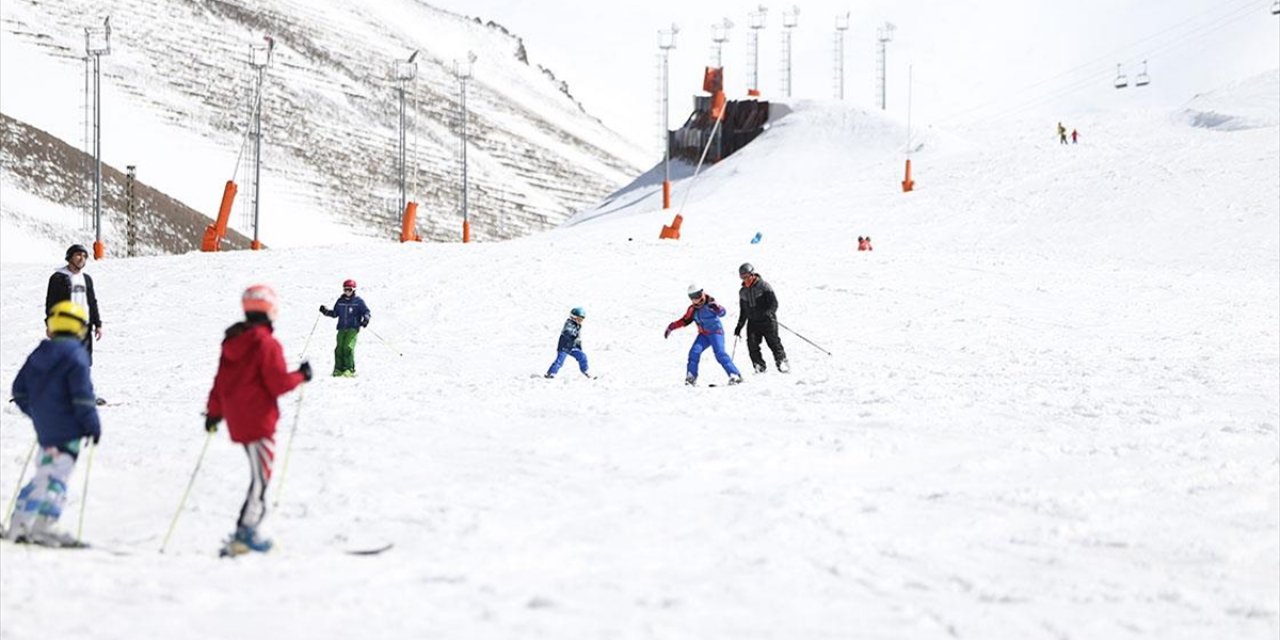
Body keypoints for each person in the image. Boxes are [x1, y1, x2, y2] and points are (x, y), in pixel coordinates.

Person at [205, 284, 312, 556]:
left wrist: (214, 412)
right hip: (259, 420)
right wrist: (301, 375)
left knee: (258, 476)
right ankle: (246, 532)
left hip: (238, 419)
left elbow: (221, 380)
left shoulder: (233, 341)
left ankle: (246, 530)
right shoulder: (266, 343)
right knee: (261, 479)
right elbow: (278, 383)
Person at [3, 301, 102, 547]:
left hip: (46, 429)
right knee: (55, 477)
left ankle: (21, 521)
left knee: (44, 473)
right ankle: (42, 525)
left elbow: (19, 390)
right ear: (79, 327)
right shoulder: (76, 355)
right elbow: (82, 396)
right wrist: (92, 425)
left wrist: (37, 412)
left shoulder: (40, 353)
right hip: (68, 430)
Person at [665, 284, 743, 386]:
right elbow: (684, 321)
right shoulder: (692, 309)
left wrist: (717, 308)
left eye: (698, 295)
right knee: (694, 352)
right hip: (703, 335)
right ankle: (691, 377)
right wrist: (671, 326)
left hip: (715, 333)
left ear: (702, 293)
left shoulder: (710, 303)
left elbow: (722, 313)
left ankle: (735, 375)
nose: (696, 299)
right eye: (693, 297)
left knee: (720, 353)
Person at [45, 244, 103, 367]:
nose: (82, 258)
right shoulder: (58, 278)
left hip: (85, 327)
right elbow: (51, 303)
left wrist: (98, 324)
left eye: (84, 256)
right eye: (78, 255)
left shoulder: (86, 279)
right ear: (70, 257)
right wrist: (50, 325)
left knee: (84, 363)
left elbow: (92, 302)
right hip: (65, 327)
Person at [732, 263, 789, 374]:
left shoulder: (764, 286)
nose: (745, 279)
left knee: (773, 342)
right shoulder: (742, 292)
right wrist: (739, 326)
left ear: (752, 274)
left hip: (767, 320)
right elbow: (743, 311)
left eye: (747, 276)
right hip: (753, 322)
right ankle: (759, 365)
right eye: (742, 277)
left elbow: (774, 303)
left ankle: (781, 361)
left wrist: (769, 312)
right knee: (752, 344)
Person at [319, 279, 371, 377]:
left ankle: (349, 369)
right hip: (342, 327)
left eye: (349, 289)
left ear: (354, 290)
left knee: (348, 347)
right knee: (339, 348)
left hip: (353, 328)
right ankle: (338, 368)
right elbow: (335, 313)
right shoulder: (340, 301)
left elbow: (366, 311)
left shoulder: (358, 301)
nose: (347, 292)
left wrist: (366, 319)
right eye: (345, 289)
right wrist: (325, 311)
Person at [545, 307, 590, 379]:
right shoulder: (569, 323)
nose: (580, 321)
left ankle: (586, 371)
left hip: (573, 346)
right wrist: (571, 334)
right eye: (579, 319)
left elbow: (578, 338)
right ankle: (551, 373)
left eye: (582, 320)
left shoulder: (578, 326)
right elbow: (567, 331)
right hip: (564, 346)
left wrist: (579, 347)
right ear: (573, 317)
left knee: (582, 356)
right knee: (560, 361)